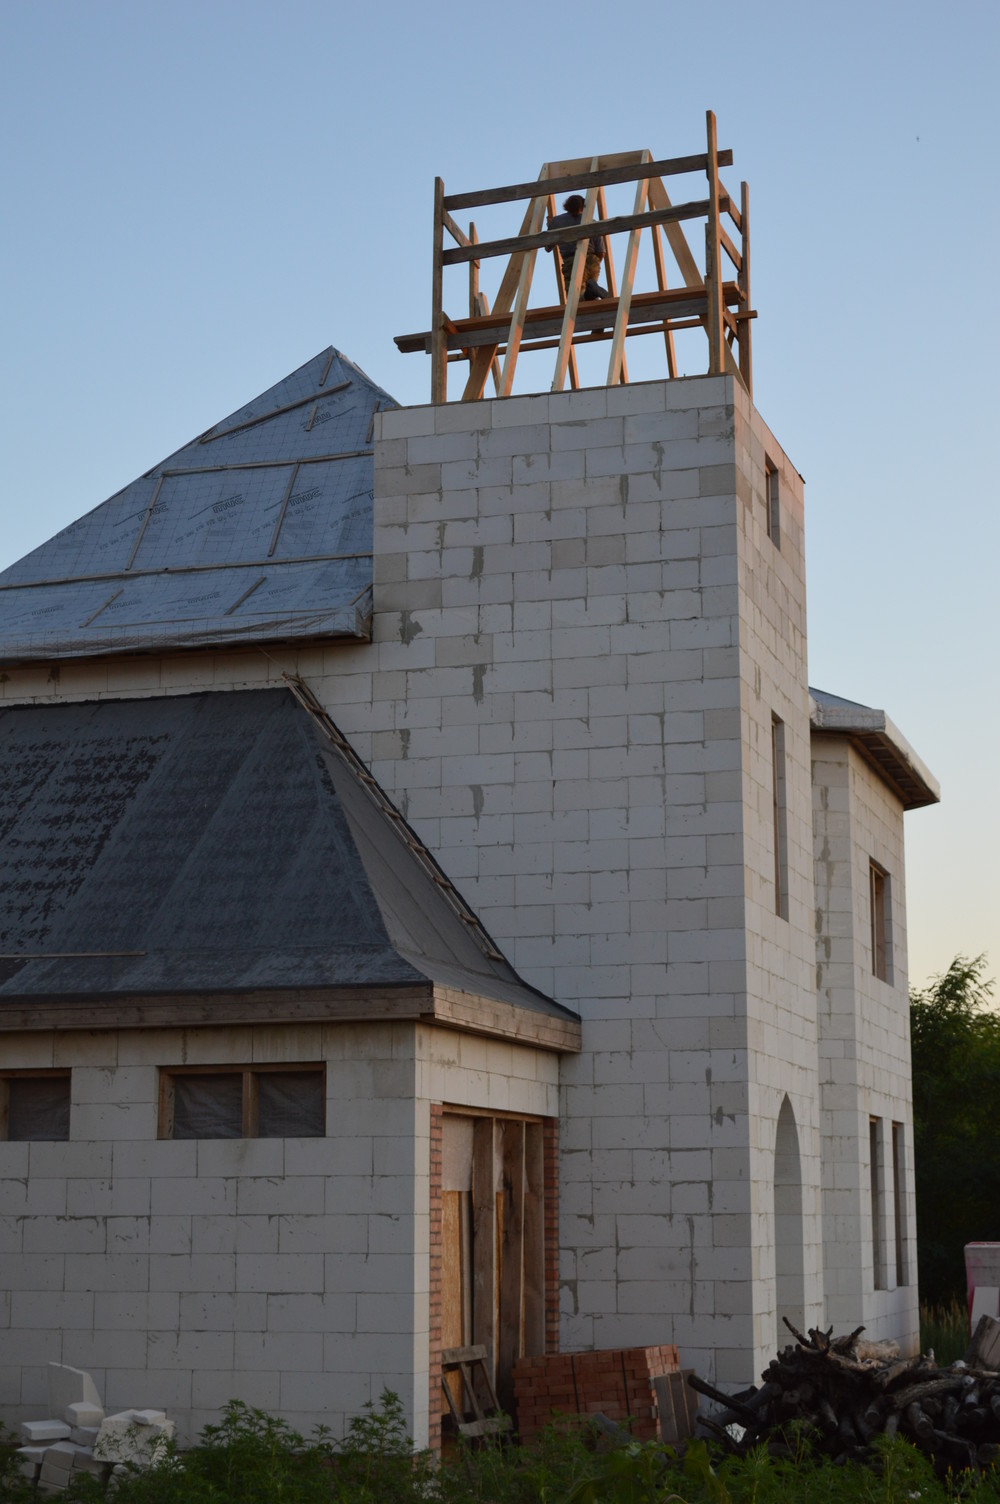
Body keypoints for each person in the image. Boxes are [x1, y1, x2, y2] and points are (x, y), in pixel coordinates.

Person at [546, 194, 609, 300]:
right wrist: (592, 263)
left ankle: (591, 289)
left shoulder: (557, 222)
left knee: (575, 300)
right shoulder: (591, 222)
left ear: (566, 206)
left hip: (571, 262)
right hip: (591, 261)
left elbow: (548, 247)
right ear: (583, 206)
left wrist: (550, 226)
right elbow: (601, 252)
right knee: (588, 300)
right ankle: (592, 288)